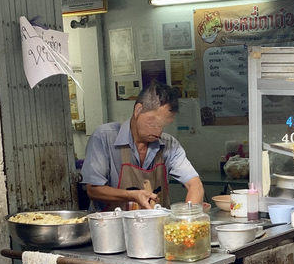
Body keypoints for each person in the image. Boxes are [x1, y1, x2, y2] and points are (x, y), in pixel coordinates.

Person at [81, 81, 204, 210]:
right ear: (138, 110)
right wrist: (131, 195)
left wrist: (189, 219)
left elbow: (195, 184)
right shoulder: (104, 137)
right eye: (154, 123)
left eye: (163, 126)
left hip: (155, 226)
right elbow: (94, 190)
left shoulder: (169, 144)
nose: (158, 132)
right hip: (111, 227)